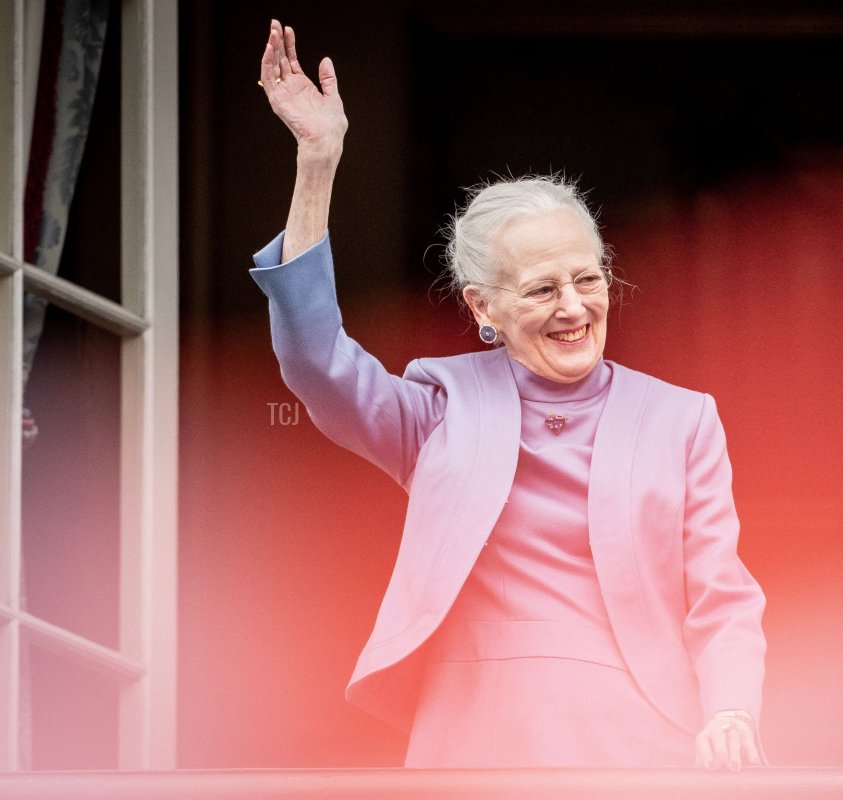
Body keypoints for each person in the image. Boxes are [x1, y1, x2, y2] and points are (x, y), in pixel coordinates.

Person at [250, 20, 767, 770]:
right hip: (475, 748)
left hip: (641, 745)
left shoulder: (683, 420)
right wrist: (318, 162)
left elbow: (721, 594)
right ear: (483, 308)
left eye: (588, 279)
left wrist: (729, 707)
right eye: (542, 288)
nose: (574, 306)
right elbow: (315, 360)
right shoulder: (440, 407)